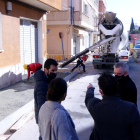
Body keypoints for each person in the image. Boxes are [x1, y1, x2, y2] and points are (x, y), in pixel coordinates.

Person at [85, 72, 140, 140]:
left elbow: (89, 98)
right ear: (117, 88)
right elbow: (137, 134)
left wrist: (90, 88)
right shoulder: (131, 108)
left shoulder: (95, 107)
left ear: (101, 92)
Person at [34, 59, 58, 140]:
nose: (55, 73)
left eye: (56, 70)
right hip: (45, 120)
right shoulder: (42, 84)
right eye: (52, 70)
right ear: (45, 70)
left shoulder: (47, 80)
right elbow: (42, 106)